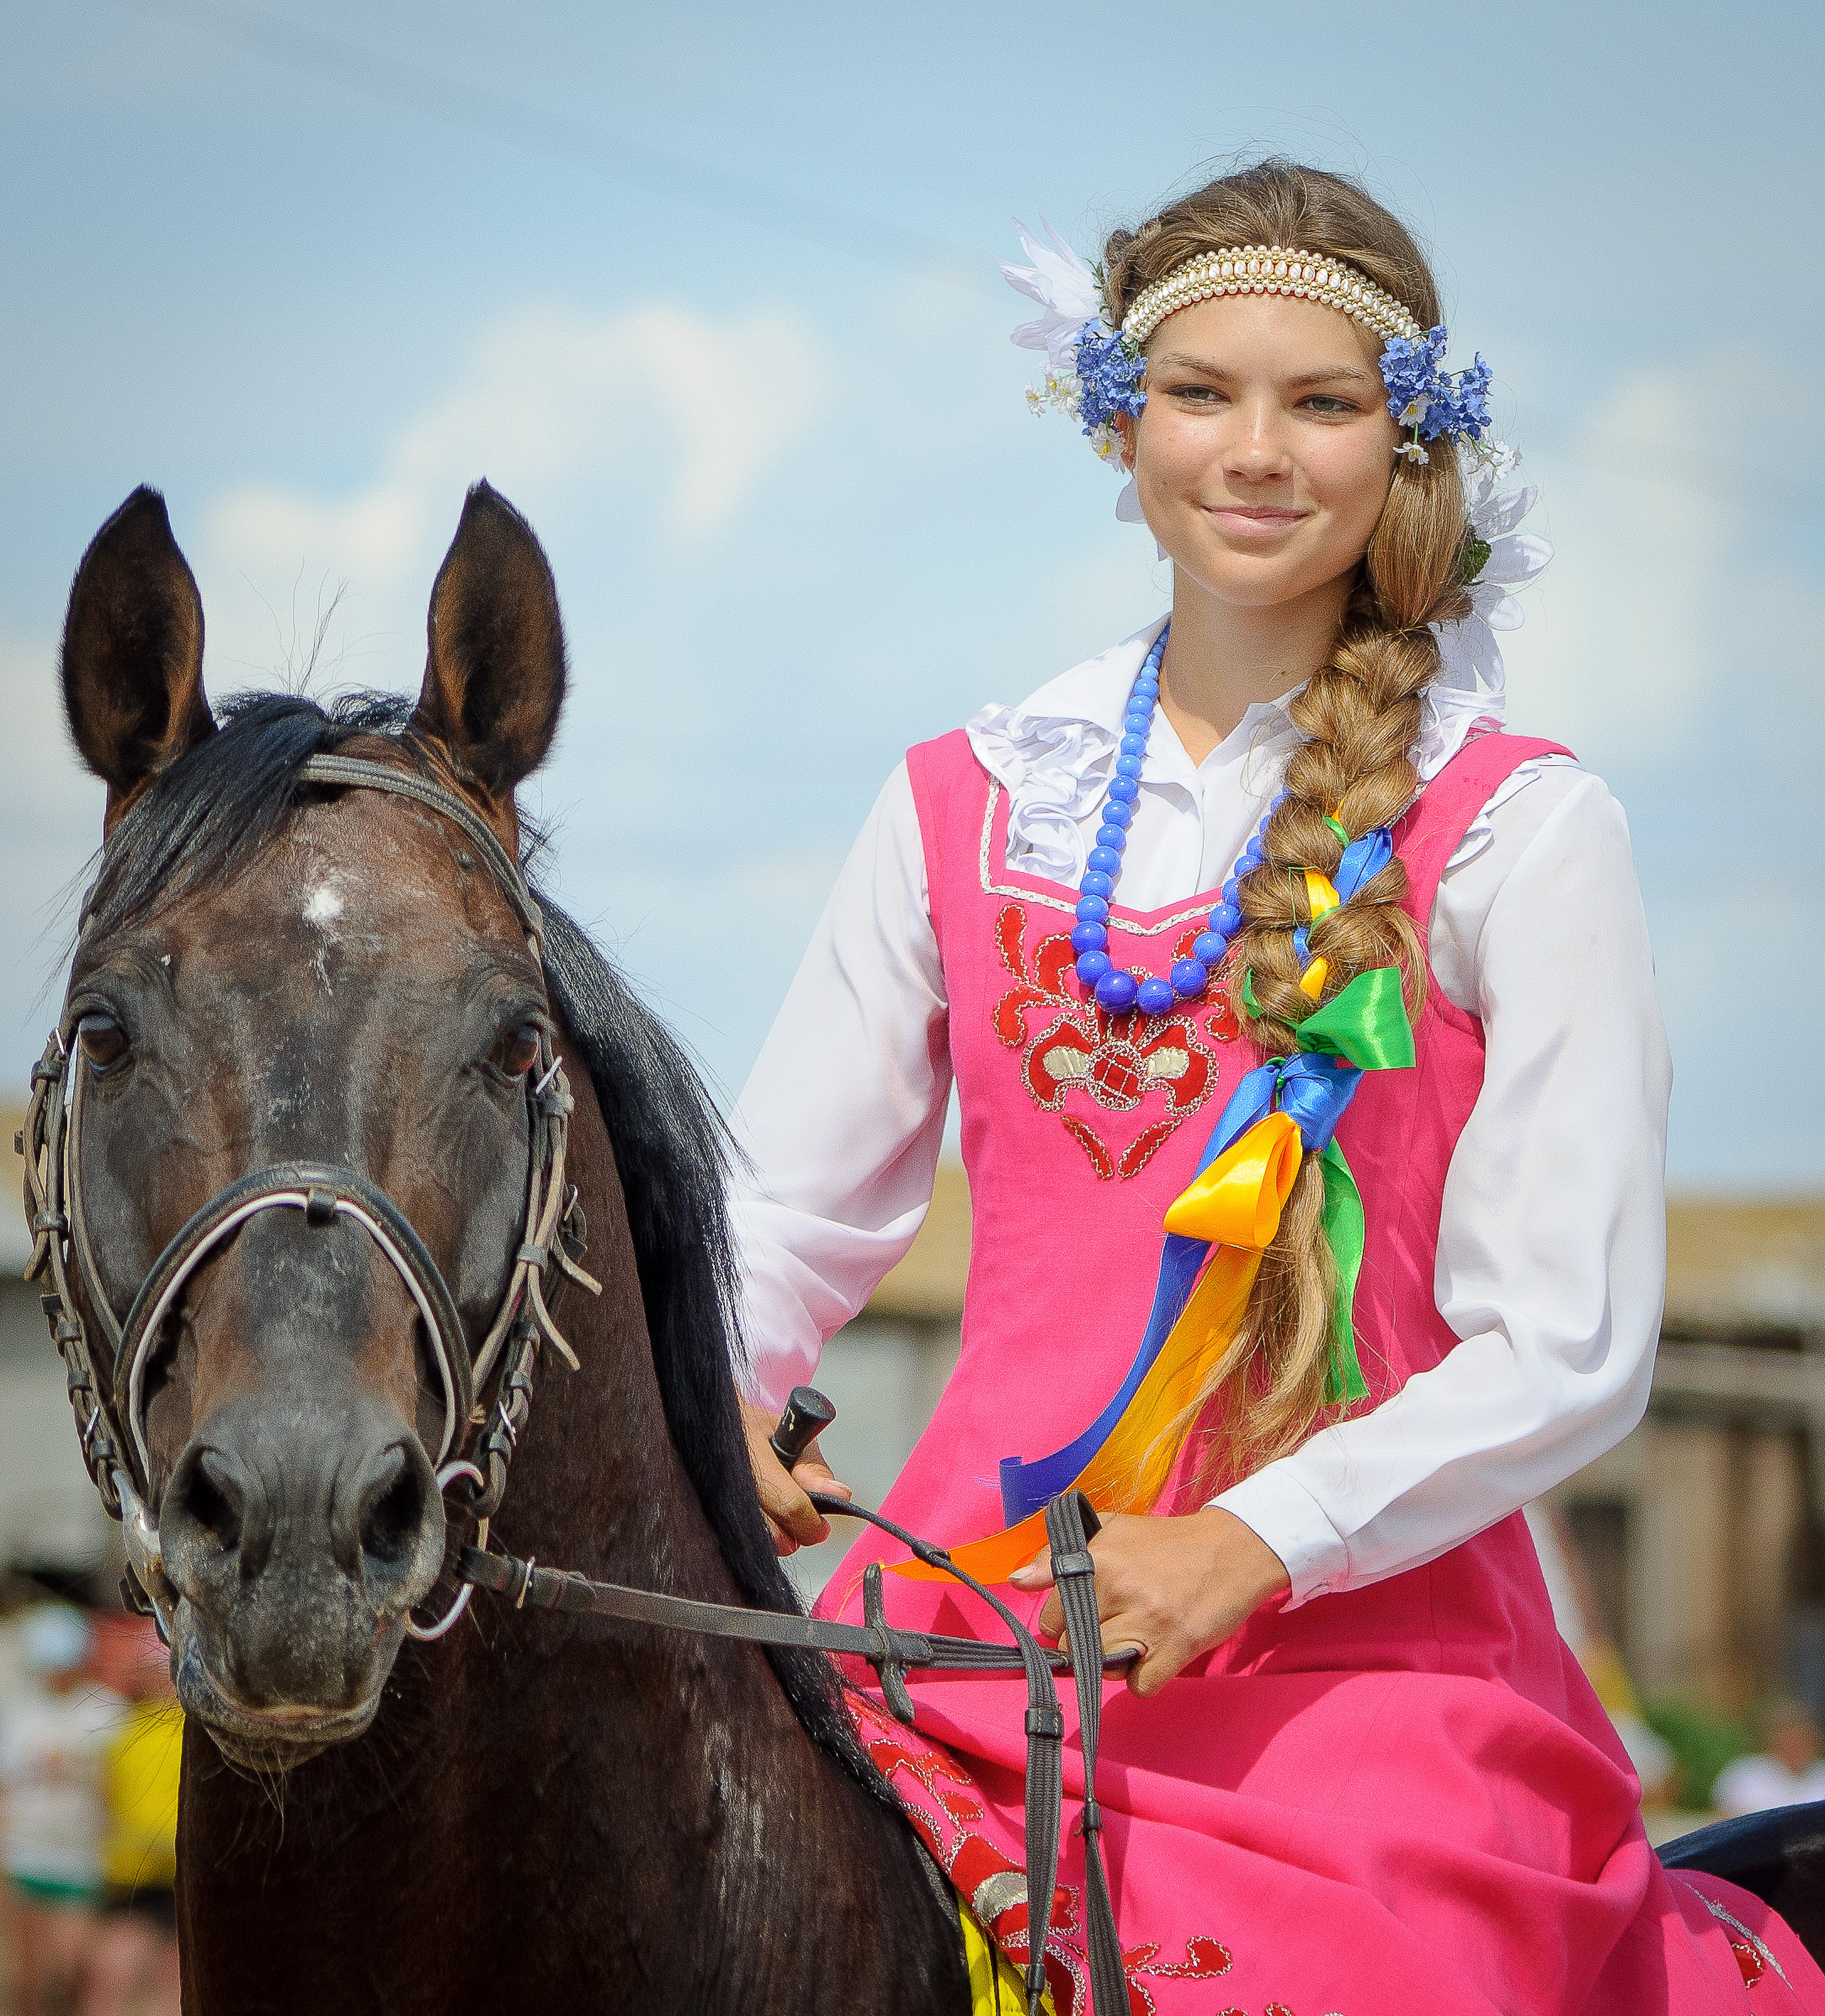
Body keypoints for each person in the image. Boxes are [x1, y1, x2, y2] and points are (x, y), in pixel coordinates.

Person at [730, 159, 1825, 2011]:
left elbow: (1567, 1338)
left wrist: (1256, 1537)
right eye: (1198, 393)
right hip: (958, 1639)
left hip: (1376, 1693)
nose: (1254, 451)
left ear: (1403, 442)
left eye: (1321, 403)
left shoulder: (1518, 829)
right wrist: (720, 1390)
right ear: (1119, 420)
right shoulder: (963, 802)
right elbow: (786, 1207)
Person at [0, 1604, 115, 2016]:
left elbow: (109, 1775)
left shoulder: (104, 1708)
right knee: (26, 1979)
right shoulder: (21, 1712)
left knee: (70, 1970)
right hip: (25, 1855)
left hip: (82, 1860)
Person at [81, 1613, 180, 2016]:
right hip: (134, 1876)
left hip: (182, 1875)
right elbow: (105, 1800)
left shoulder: (200, 1733)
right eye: (153, 1672)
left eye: (164, 1672)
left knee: (178, 1987)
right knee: (108, 1979)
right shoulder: (122, 1728)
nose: (160, 1682)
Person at [1714, 1705, 1825, 1821]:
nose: (1794, 1745)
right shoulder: (1744, 1774)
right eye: (1787, 1737)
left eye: (1801, 1738)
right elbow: (1722, 1822)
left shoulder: (1821, 1775)